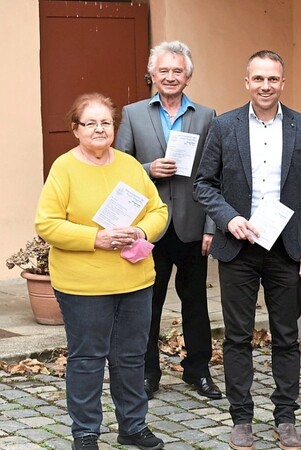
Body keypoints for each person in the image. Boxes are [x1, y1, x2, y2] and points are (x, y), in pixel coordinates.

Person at [194, 50, 301, 450]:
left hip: (287, 249)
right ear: (246, 82)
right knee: (237, 338)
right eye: (258, 79)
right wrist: (228, 218)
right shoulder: (223, 126)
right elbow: (203, 184)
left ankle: (285, 418)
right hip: (238, 247)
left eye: (273, 79)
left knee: (286, 337)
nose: (265, 86)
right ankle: (242, 418)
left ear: (283, 83)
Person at [35, 93, 168, 450]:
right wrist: (97, 238)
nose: (99, 129)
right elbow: (46, 224)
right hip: (83, 284)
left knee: (130, 357)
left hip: (134, 279)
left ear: (114, 127)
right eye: (90, 123)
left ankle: (133, 426)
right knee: (88, 358)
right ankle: (86, 432)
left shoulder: (129, 165)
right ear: (76, 129)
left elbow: (159, 211)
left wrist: (141, 232)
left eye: (105, 122)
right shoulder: (64, 168)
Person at [115, 40, 220, 401]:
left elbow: (214, 174)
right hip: (149, 226)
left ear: (188, 76)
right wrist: (149, 169)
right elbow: (119, 169)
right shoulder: (132, 114)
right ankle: (148, 373)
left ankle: (198, 371)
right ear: (152, 75)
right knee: (148, 305)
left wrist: (211, 227)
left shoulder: (206, 116)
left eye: (178, 70)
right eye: (164, 71)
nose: (170, 76)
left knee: (196, 304)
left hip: (193, 225)